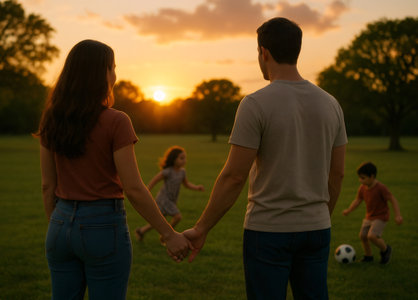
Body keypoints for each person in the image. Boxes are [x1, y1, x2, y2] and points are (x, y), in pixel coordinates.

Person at [183, 17, 347, 300]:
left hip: (268, 232)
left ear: (264, 53)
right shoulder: (330, 103)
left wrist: (201, 228)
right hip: (317, 228)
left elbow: (234, 176)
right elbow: (338, 173)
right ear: (297, 50)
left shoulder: (255, 104)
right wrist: (318, 216)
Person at [35, 40, 191, 300]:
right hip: (102, 227)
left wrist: (61, 224)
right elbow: (133, 187)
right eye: (113, 68)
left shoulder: (51, 120)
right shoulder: (116, 121)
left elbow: (47, 186)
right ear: (102, 73)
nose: (115, 76)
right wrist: (169, 234)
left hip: (59, 225)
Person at [135, 146, 204, 241]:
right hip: (164, 199)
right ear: (174, 159)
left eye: (185, 158)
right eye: (181, 158)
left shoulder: (182, 172)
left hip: (172, 199)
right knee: (177, 217)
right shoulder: (168, 172)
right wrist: (146, 192)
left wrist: (197, 187)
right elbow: (154, 181)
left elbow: (186, 184)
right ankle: (165, 236)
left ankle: (141, 231)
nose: (184, 160)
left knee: (159, 221)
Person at [343, 161, 403, 264]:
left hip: (381, 216)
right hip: (369, 216)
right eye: (360, 177)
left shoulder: (380, 188)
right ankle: (368, 256)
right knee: (363, 236)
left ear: (372, 176)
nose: (360, 180)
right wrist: (349, 210)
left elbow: (392, 199)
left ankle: (386, 249)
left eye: (363, 178)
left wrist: (398, 215)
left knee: (372, 236)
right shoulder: (362, 188)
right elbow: (357, 200)